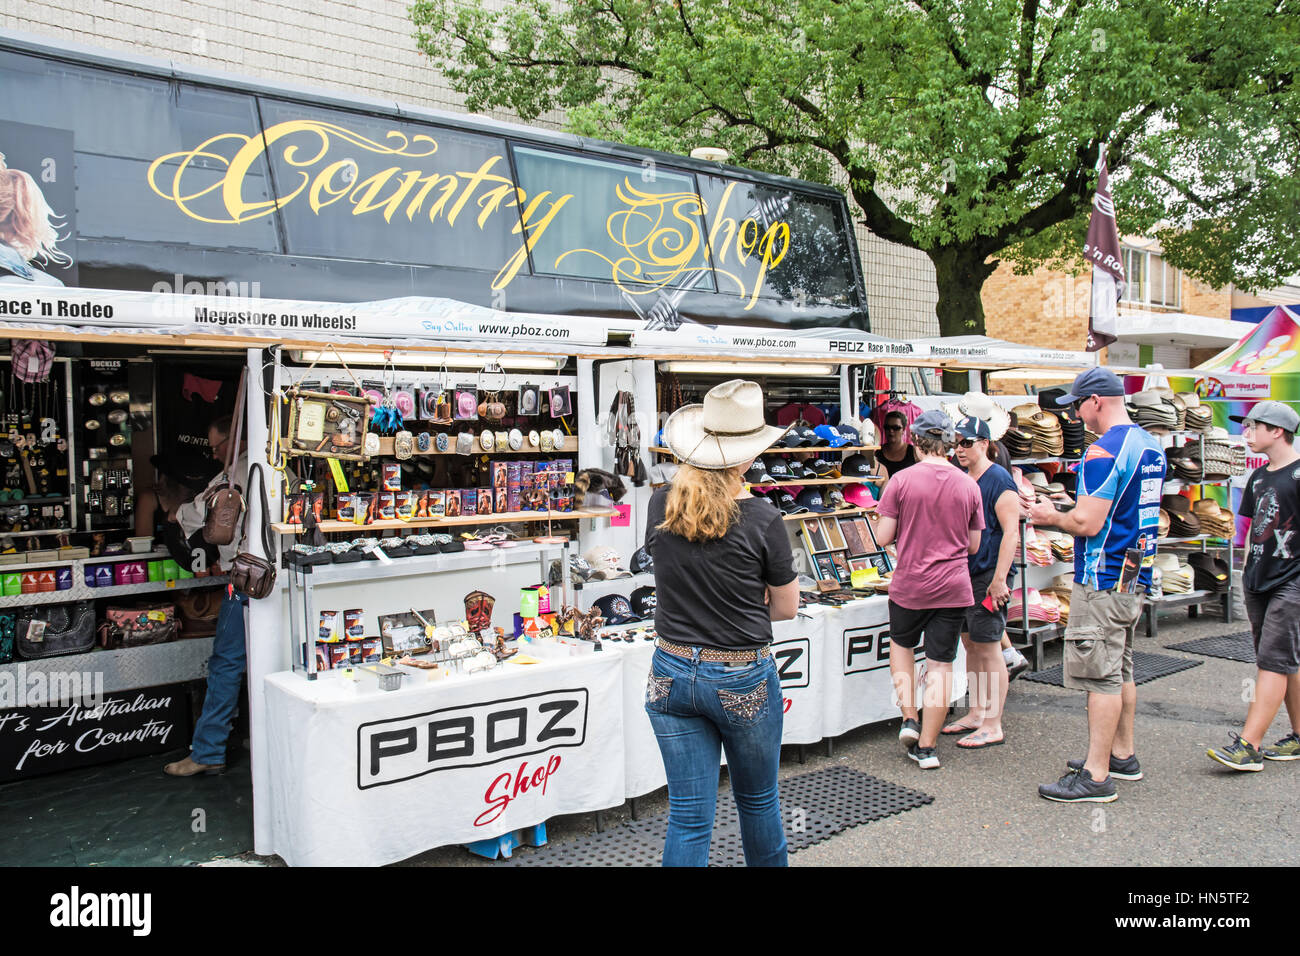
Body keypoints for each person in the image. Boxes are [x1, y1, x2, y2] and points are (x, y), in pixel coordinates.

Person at [646, 379, 800, 866]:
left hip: (669, 668)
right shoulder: (763, 518)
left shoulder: (661, 502)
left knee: (689, 816)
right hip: (739, 672)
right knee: (757, 803)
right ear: (747, 456)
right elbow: (786, 608)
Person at [1028, 367, 1164, 802]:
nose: (1076, 416)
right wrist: (1073, 506)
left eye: (1078, 406)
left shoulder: (1103, 451)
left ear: (1097, 402)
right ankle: (1121, 754)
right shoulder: (1149, 444)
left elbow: (1088, 522)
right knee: (1120, 666)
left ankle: (1097, 774)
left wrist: (1051, 517)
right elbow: (1118, 508)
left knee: (1100, 676)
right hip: (1134, 571)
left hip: (1102, 576)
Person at [873, 410, 983, 770]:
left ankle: (909, 717)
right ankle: (928, 747)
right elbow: (973, 546)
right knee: (941, 663)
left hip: (911, 584)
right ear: (950, 443)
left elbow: (882, 537)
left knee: (902, 647)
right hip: (953, 586)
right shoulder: (969, 485)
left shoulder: (901, 481)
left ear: (915, 441)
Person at [1206, 401, 1300, 770]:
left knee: (1272, 662)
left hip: (1291, 581)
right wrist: (1246, 572)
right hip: (1258, 579)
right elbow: (1251, 530)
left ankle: (1249, 745)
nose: (1246, 433)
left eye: (1252, 426)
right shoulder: (1259, 477)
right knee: (1284, 661)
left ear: (1276, 431)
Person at [160, 415, 249, 777]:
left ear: (234, 439)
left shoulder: (233, 475)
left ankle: (208, 751)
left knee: (226, 664)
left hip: (247, 580)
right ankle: (258, 737)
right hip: (285, 576)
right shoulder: (278, 466)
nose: (214, 456)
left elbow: (196, 515)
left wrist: (172, 512)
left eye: (216, 446)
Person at [943, 415, 1021, 748]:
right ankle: (977, 712)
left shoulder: (999, 479)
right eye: (956, 442)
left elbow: (1011, 532)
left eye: (966, 442)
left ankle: (993, 722)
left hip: (988, 573)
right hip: (964, 571)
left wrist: (1000, 579)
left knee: (989, 647)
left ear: (984, 444)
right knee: (970, 644)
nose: (959, 449)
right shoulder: (963, 476)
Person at [871, 410, 918, 483]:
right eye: (887, 427)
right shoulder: (877, 452)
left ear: (904, 430)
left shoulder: (914, 452)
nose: (891, 431)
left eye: (896, 428)